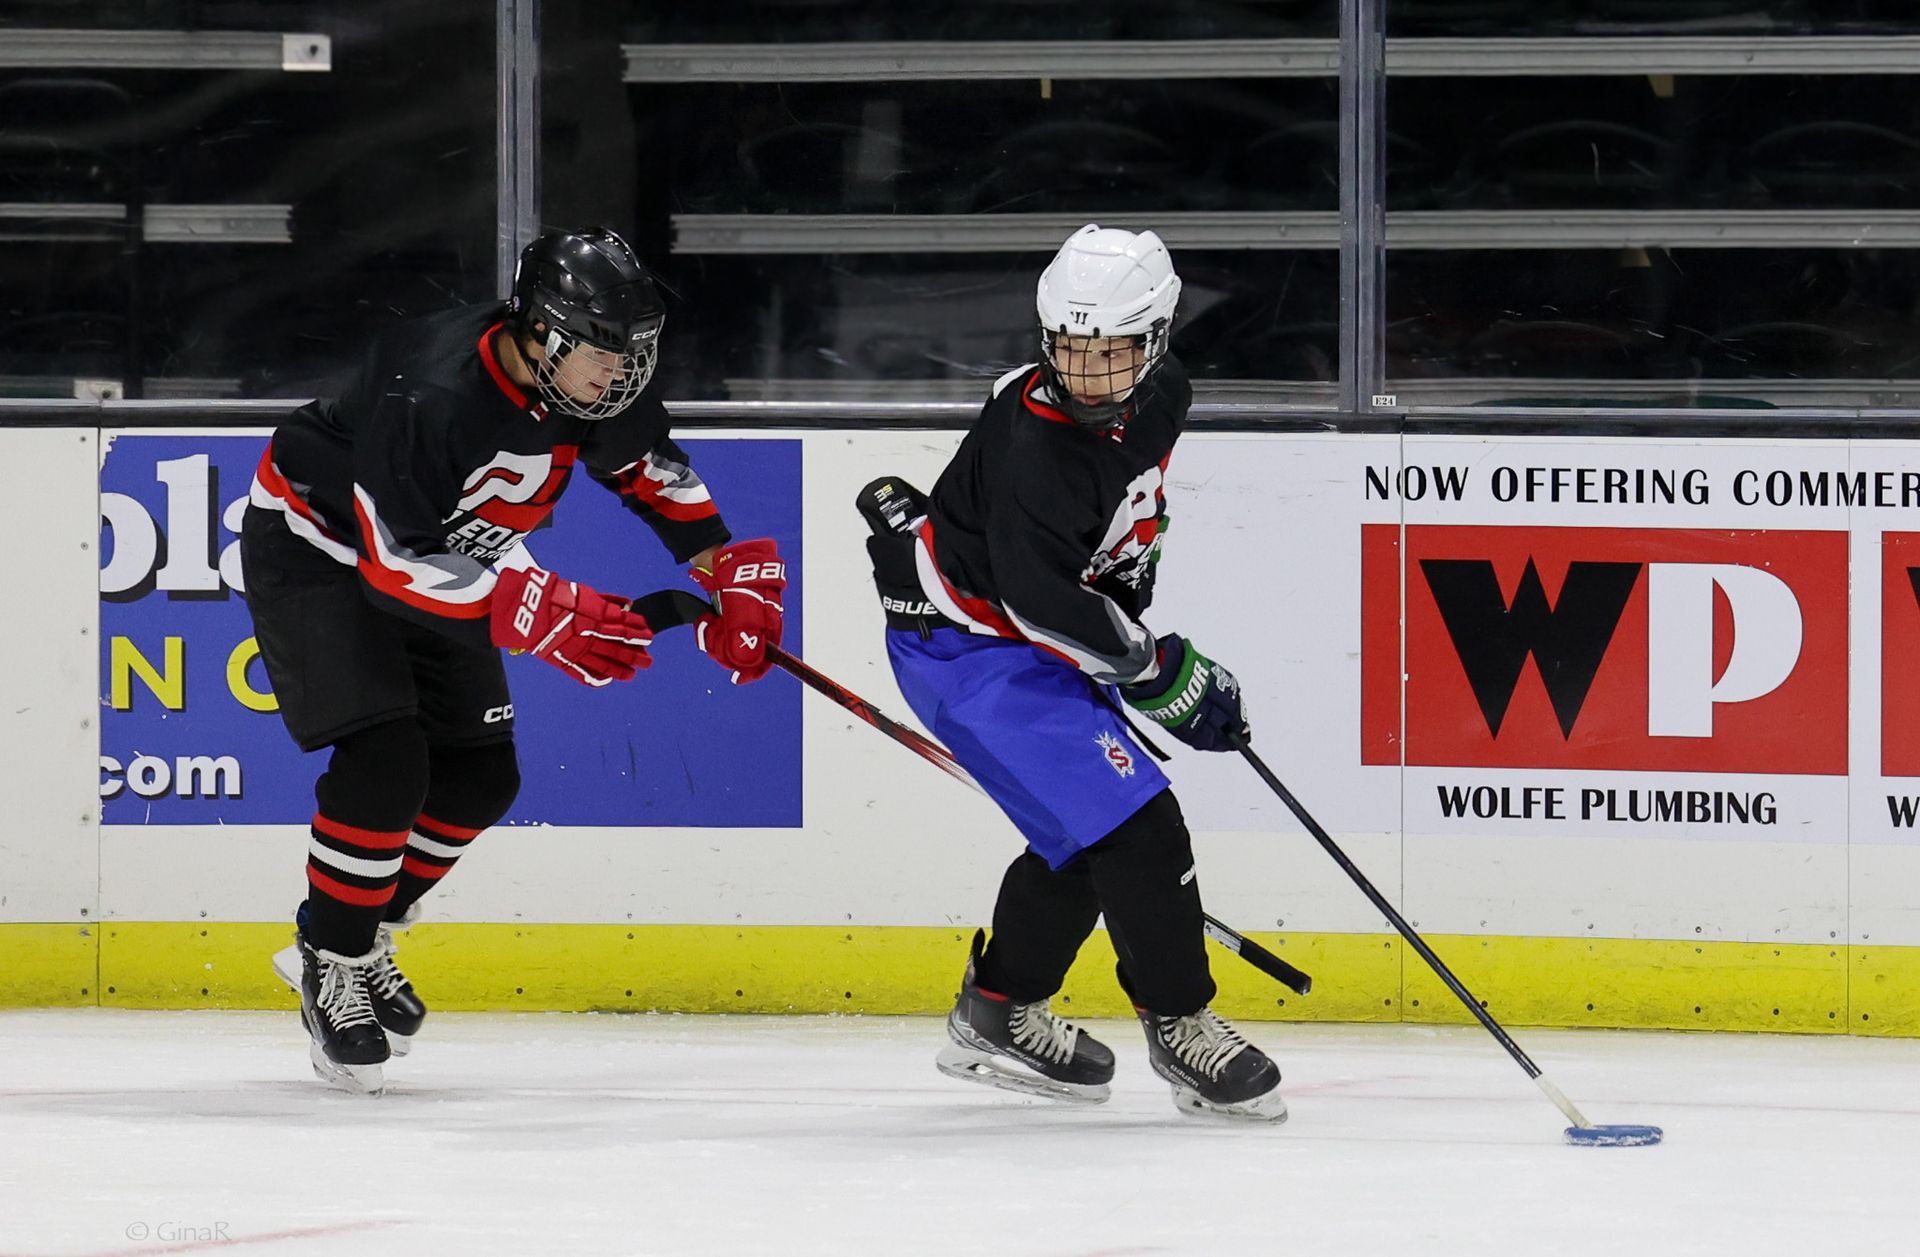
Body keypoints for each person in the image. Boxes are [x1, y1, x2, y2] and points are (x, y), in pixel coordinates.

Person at [240, 227, 788, 1093]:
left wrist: (722, 565)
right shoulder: (431, 386)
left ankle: (362, 925)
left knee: (480, 777)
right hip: (321, 548)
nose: (620, 371)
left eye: (631, 350)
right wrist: (530, 609)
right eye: (603, 351)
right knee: (386, 760)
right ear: (539, 331)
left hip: (450, 556)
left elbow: (649, 470)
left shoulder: (585, 379)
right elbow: (393, 562)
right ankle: (331, 955)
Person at [866, 224, 1284, 1121]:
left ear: (1158, 339)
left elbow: (1102, 524)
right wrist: (1155, 668)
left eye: (1113, 352)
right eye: (1069, 348)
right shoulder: (1038, 448)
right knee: (1138, 826)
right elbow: (1037, 599)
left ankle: (998, 1009)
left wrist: (1131, 627)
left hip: (1013, 639)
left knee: (1083, 836)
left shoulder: (1165, 393)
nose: (1088, 373)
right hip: (972, 649)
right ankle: (1183, 1025)